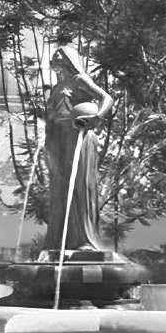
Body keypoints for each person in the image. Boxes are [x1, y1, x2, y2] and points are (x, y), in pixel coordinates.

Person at [44, 47, 114, 251]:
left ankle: (83, 240)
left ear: (69, 59)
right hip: (58, 137)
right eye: (54, 54)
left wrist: (97, 117)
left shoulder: (78, 80)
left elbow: (107, 98)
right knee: (60, 188)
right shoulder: (56, 88)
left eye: (60, 53)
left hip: (78, 135)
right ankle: (61, 239)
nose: (55, 56)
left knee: (79, 185)